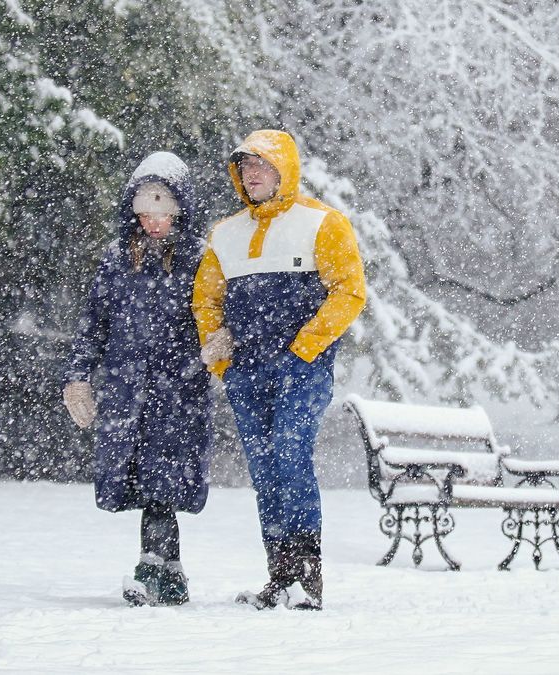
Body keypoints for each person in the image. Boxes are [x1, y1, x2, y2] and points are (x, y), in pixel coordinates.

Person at [192, 130, 366, 610]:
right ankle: (279, 574)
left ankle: (307, 578)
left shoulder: (322, 223)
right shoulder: (225, 234)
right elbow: (206, 297)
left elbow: (349, 291)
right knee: (264, 470)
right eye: (245, 168)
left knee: (291, 457)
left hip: (301, 369)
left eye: (262, 166)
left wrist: (304, 350)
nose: (252, 175)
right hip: (246, 371)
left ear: (284, 170)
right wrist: (221, 355)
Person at [63, 151, 211, 607]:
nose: (153, 222)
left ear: (180, 210)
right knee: (144, 480)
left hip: (179, 389)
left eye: (162, 212)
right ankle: (169, 572)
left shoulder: (199, 261)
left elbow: (215, 316)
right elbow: (94, 323)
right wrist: (78, 377)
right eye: (144, 212)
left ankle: (152, 569)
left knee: (162, 480)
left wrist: (214, 349)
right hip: (128, 390)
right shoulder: (116, 259)